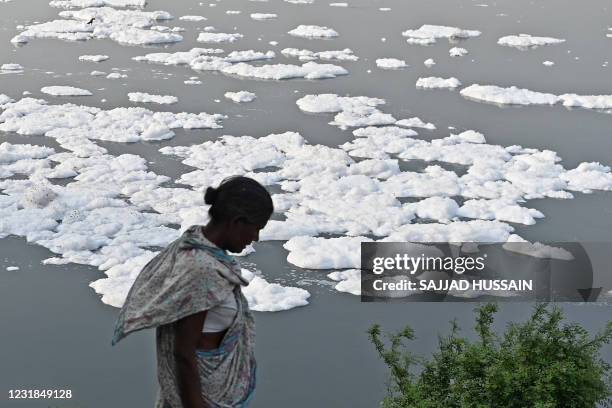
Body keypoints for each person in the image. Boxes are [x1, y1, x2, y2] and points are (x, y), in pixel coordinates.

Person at [111, 175, 274, 408]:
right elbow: (183, 352)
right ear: (237, 222)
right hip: (201, 398)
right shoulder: (202, 270)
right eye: (256, 228)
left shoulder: (196, 245)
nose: (255, 238)